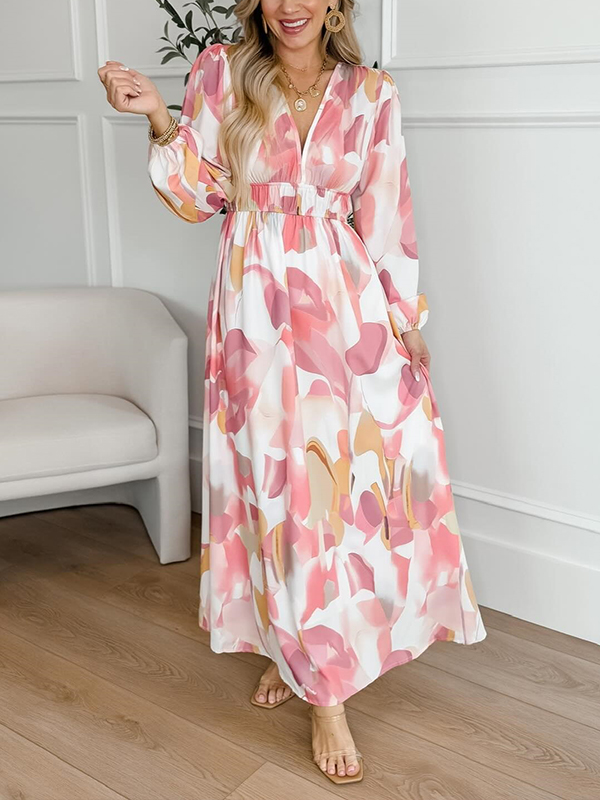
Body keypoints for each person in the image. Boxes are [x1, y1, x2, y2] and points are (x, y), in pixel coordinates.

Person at [99, 0, 487, 785]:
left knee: (355, 481)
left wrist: (406, 321)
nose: (290, 5)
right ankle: (318, 682)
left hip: (346, 306)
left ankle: (309, 649)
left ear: (337, 4)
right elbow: (197, 197)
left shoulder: (372, 93)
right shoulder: (221, 72)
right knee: (279, 491)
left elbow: (387, 215)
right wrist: (158, 118)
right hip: (255, 310)